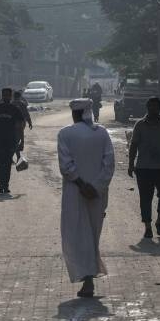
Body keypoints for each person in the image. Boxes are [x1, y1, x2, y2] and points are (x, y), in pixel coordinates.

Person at [57, 99, 115, 298]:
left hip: (75, 193)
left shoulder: (65, 134)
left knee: (77, 235)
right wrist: (96, 187)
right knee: (92, 233)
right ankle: (89, 278)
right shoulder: (102, 133)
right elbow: (109, 164)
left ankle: (88, 279)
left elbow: (66, 166)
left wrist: (82, 185)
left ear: (75, 114)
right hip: (98, 194)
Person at [128, 97, 160, 238]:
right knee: (145, 198)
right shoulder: (139, 125)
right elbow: (133, 145)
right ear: (147, 108)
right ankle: (148, 227)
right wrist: (131, 164)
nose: (153, 109)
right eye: (150, 107)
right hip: (143, 168)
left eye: (155, 107)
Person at [0, 88, 23, 194]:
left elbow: (19, 126)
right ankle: (0, 184)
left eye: (8, 95)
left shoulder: (15, 109)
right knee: (0, 164)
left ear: (11, 96)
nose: (6, 97)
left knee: (7, 163)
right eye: (5, 95)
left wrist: (22, 141)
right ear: (2, 96)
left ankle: (6, 185)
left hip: (11, 140)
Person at [12, 89, 33, 162]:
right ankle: (17, 156)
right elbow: (26, 114)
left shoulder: (11, 104)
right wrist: (30, 122)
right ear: (20, 97)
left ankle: (15, 156)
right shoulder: (22, 104)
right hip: (20, 125)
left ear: (13, 97)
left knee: (14, 141)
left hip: (12, 125)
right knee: (16, 141)